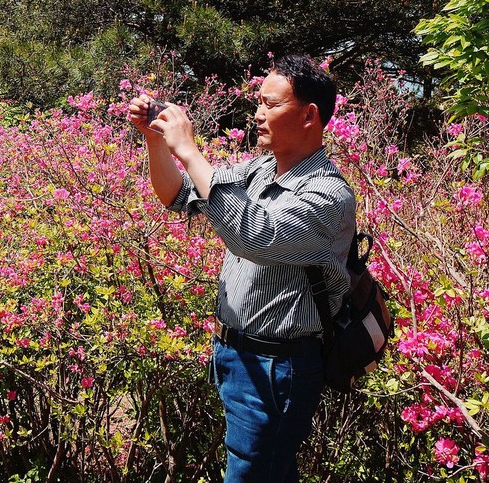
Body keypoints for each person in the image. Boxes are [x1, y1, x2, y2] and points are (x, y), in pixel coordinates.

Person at [128, 54, 356, 483]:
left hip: (277, 368)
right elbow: (176, 195)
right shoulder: (258, 170)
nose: (257, 114)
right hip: (237, 355)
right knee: (267, 470)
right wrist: (156, 141)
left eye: (270, 104)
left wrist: (190, 150)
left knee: (252, 473)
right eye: (259, 103)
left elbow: (251, 236)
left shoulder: (329, 195)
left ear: (309, 116)